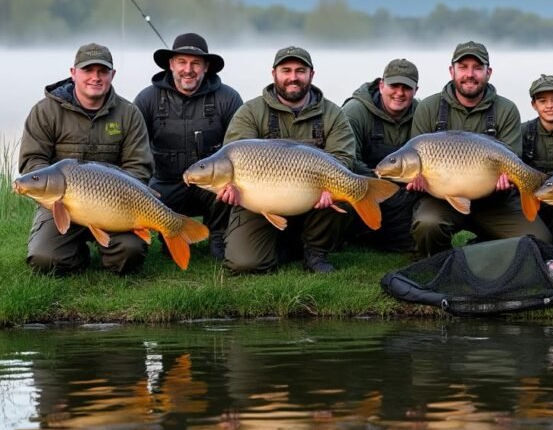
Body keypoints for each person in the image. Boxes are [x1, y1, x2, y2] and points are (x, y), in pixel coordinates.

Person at [218, 46, 357, 274]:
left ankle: (315, 252)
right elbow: (233, 155)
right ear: (274, 74)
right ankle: (285, 244)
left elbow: (343, 160)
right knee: (245, 264)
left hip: (315, 197)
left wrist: (329, 186)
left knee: (345, 189)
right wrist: (231, 187)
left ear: (311, 75)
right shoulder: (250, 111)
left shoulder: (333, 114)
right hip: (259, 202)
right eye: (286, 70)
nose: (293, 77)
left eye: (300, 71)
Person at [19, 43, 154, 275]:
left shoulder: (129, 114)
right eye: (88, 70)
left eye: (102, 71)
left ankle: (109, 253)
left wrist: (119, 200)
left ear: (113, 75)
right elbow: (33, 161)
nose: (95, 77)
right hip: (60, 205)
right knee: (45, 260)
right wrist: (50, 196)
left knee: (129, 256)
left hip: (114, 206)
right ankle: (76, 253)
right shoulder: (45, 111)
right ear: (73, 73)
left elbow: (138, 167)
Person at [407, 41, 552, 256]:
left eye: (477, 67)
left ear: (488, 72)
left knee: (541, 241)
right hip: (442, 199)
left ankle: (481, 247)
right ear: (451, 71)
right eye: (463, 67)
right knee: (427, 224)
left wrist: (510, 180)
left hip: (496, 201)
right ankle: (436, 263)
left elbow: (513, 158)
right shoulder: (429, 107)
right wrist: (419, 180)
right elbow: (415, 157)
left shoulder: (506, 109)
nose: (470, 74)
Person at [134, 33, 243, 260]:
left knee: (231, 190)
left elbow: (240, 149)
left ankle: (218, 235)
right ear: (171, 64)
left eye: (195, 63)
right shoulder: (147, 99)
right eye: (182, 62)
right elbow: (135, 152)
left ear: (206, 67)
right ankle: (169, 234)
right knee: (149, 197)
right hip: (166, 183)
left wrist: (232, 184)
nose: (188, 69)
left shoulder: (228, 98)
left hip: (212, 184)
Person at [340, 58, 421, 253]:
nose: (399, 93)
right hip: (363, 184)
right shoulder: (354, 111)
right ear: (382, 85)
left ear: (416, 90)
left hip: (406, 189)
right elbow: (347, 159)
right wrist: (380, 185)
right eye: (394, 85)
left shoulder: (421, 112)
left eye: (406, 88)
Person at [521, 74, 553, 235]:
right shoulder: (522, 131)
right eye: (543, 101)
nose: (549, 106)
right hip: (533, 200)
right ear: (534, 105)